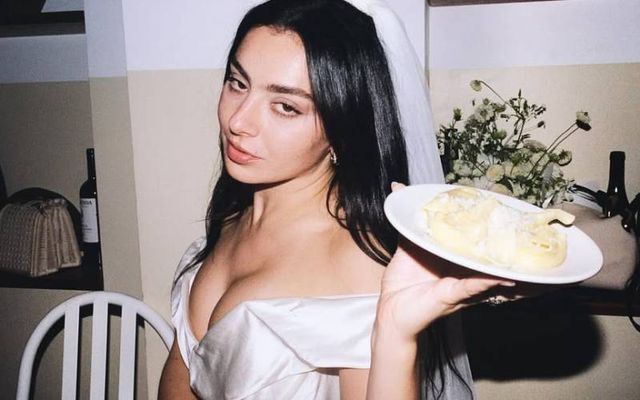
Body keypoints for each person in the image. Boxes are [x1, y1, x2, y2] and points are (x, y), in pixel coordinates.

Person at [158, 0, 514, 398]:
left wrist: (395, 332)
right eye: (238, 83)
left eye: (285, 107)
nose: (237, 121)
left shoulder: (359, 263)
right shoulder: (230, 220)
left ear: (342, 130)